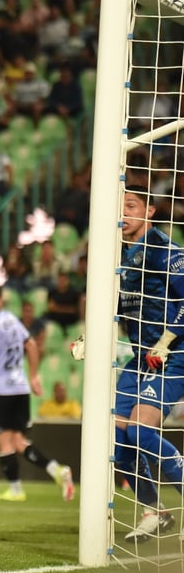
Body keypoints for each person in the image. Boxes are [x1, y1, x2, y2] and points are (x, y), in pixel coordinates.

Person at [111, 187, 184, 542]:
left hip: (174, 357)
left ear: (150, 211)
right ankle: (155, 511)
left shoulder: (162, 248)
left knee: (139, 431)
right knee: (116, 440)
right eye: (119, 206)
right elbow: (121, 312)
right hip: (141, 358)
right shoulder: (121, 257)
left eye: (131, 205)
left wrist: (167, 340)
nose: (123, 212)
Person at [0, 284, 74, 502]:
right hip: (20, 388)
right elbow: (30, 344)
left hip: (1, 390)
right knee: (19, 441)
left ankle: (16, 490)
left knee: (4, 442)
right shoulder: (11, 319)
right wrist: (34, 375)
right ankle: (57, 470)